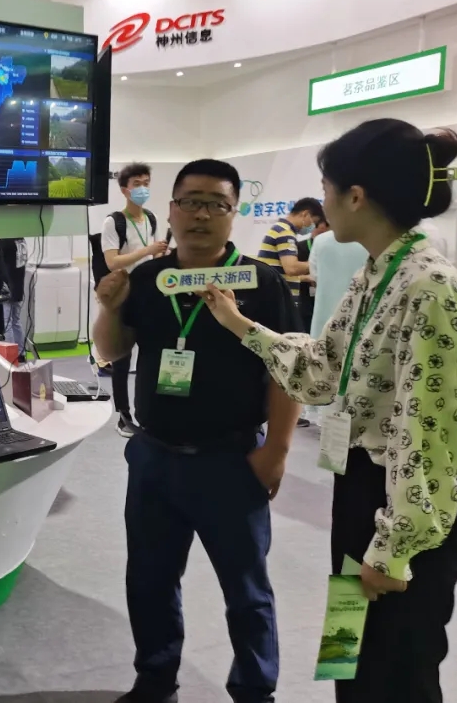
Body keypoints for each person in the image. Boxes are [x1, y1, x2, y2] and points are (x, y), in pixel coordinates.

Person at [202, 120, 457, 703]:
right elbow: (323, 370)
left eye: (325, 189)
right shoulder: (377, 271)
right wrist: (240, 324)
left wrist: (394, 547)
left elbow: (429, 433)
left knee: (398, 672)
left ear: (356, 196)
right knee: (348, 651)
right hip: (358, 491)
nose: (320, 205)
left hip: (402, 509)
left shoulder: (430, 286)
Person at [93, 158, 302, 703]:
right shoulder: (146, 279)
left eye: (216, 204)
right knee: (150, 579)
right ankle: (155, 678)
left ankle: (254, 690)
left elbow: (288, 371)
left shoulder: (261, 282)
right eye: (191, 202)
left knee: (246, 589)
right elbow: (111, 351)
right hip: (154, 458)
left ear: (234, 213)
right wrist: (108, 309)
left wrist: (277, 452)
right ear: (172, 209)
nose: (202, 215)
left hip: (230, 461)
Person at [98, 163, 168, 437]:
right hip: (123, 295)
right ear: (124, 189)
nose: (143, 189)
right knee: (121, 358)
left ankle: (151, 410)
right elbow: (112, 261)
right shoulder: (113, 222)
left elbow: (154, 255)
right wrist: (148, 250)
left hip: (149, 293)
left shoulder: (151, 218)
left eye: (146, 183)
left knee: (152, 353)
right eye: (137, 184)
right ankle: (123, 415)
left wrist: (159, 255)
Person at [256, 197, 325, 300]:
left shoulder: (281, 229)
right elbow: (292, 268)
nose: (312, 227)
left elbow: (282, 271)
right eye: (313, 222)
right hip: (278, 297)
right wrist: (319, 264)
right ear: (305, 214)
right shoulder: (285, 232)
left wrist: (305, 278)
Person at [0, 238, 28, 360]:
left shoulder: (3, 242)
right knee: (16, 321)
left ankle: (11, 355)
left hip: (7, 288)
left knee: (7, 323)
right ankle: (21, 353)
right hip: (18, 286)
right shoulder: (21, 241)